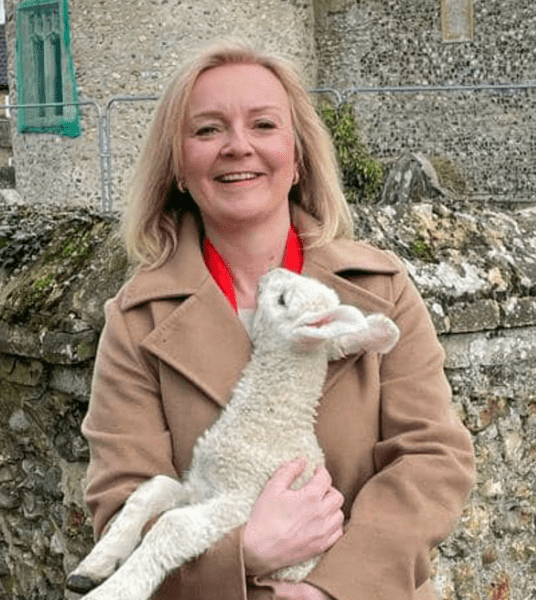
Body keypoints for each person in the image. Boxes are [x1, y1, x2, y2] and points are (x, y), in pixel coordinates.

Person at [80, 39, 475, 600]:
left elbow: (433, 459)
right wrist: (244, 553)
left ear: (297, 158)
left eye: (263, 125)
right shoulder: (136, 324)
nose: (237, 147)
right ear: (179, 168)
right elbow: (124, 501)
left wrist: (330, 589)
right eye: (208, 130)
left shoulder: (379, 289)